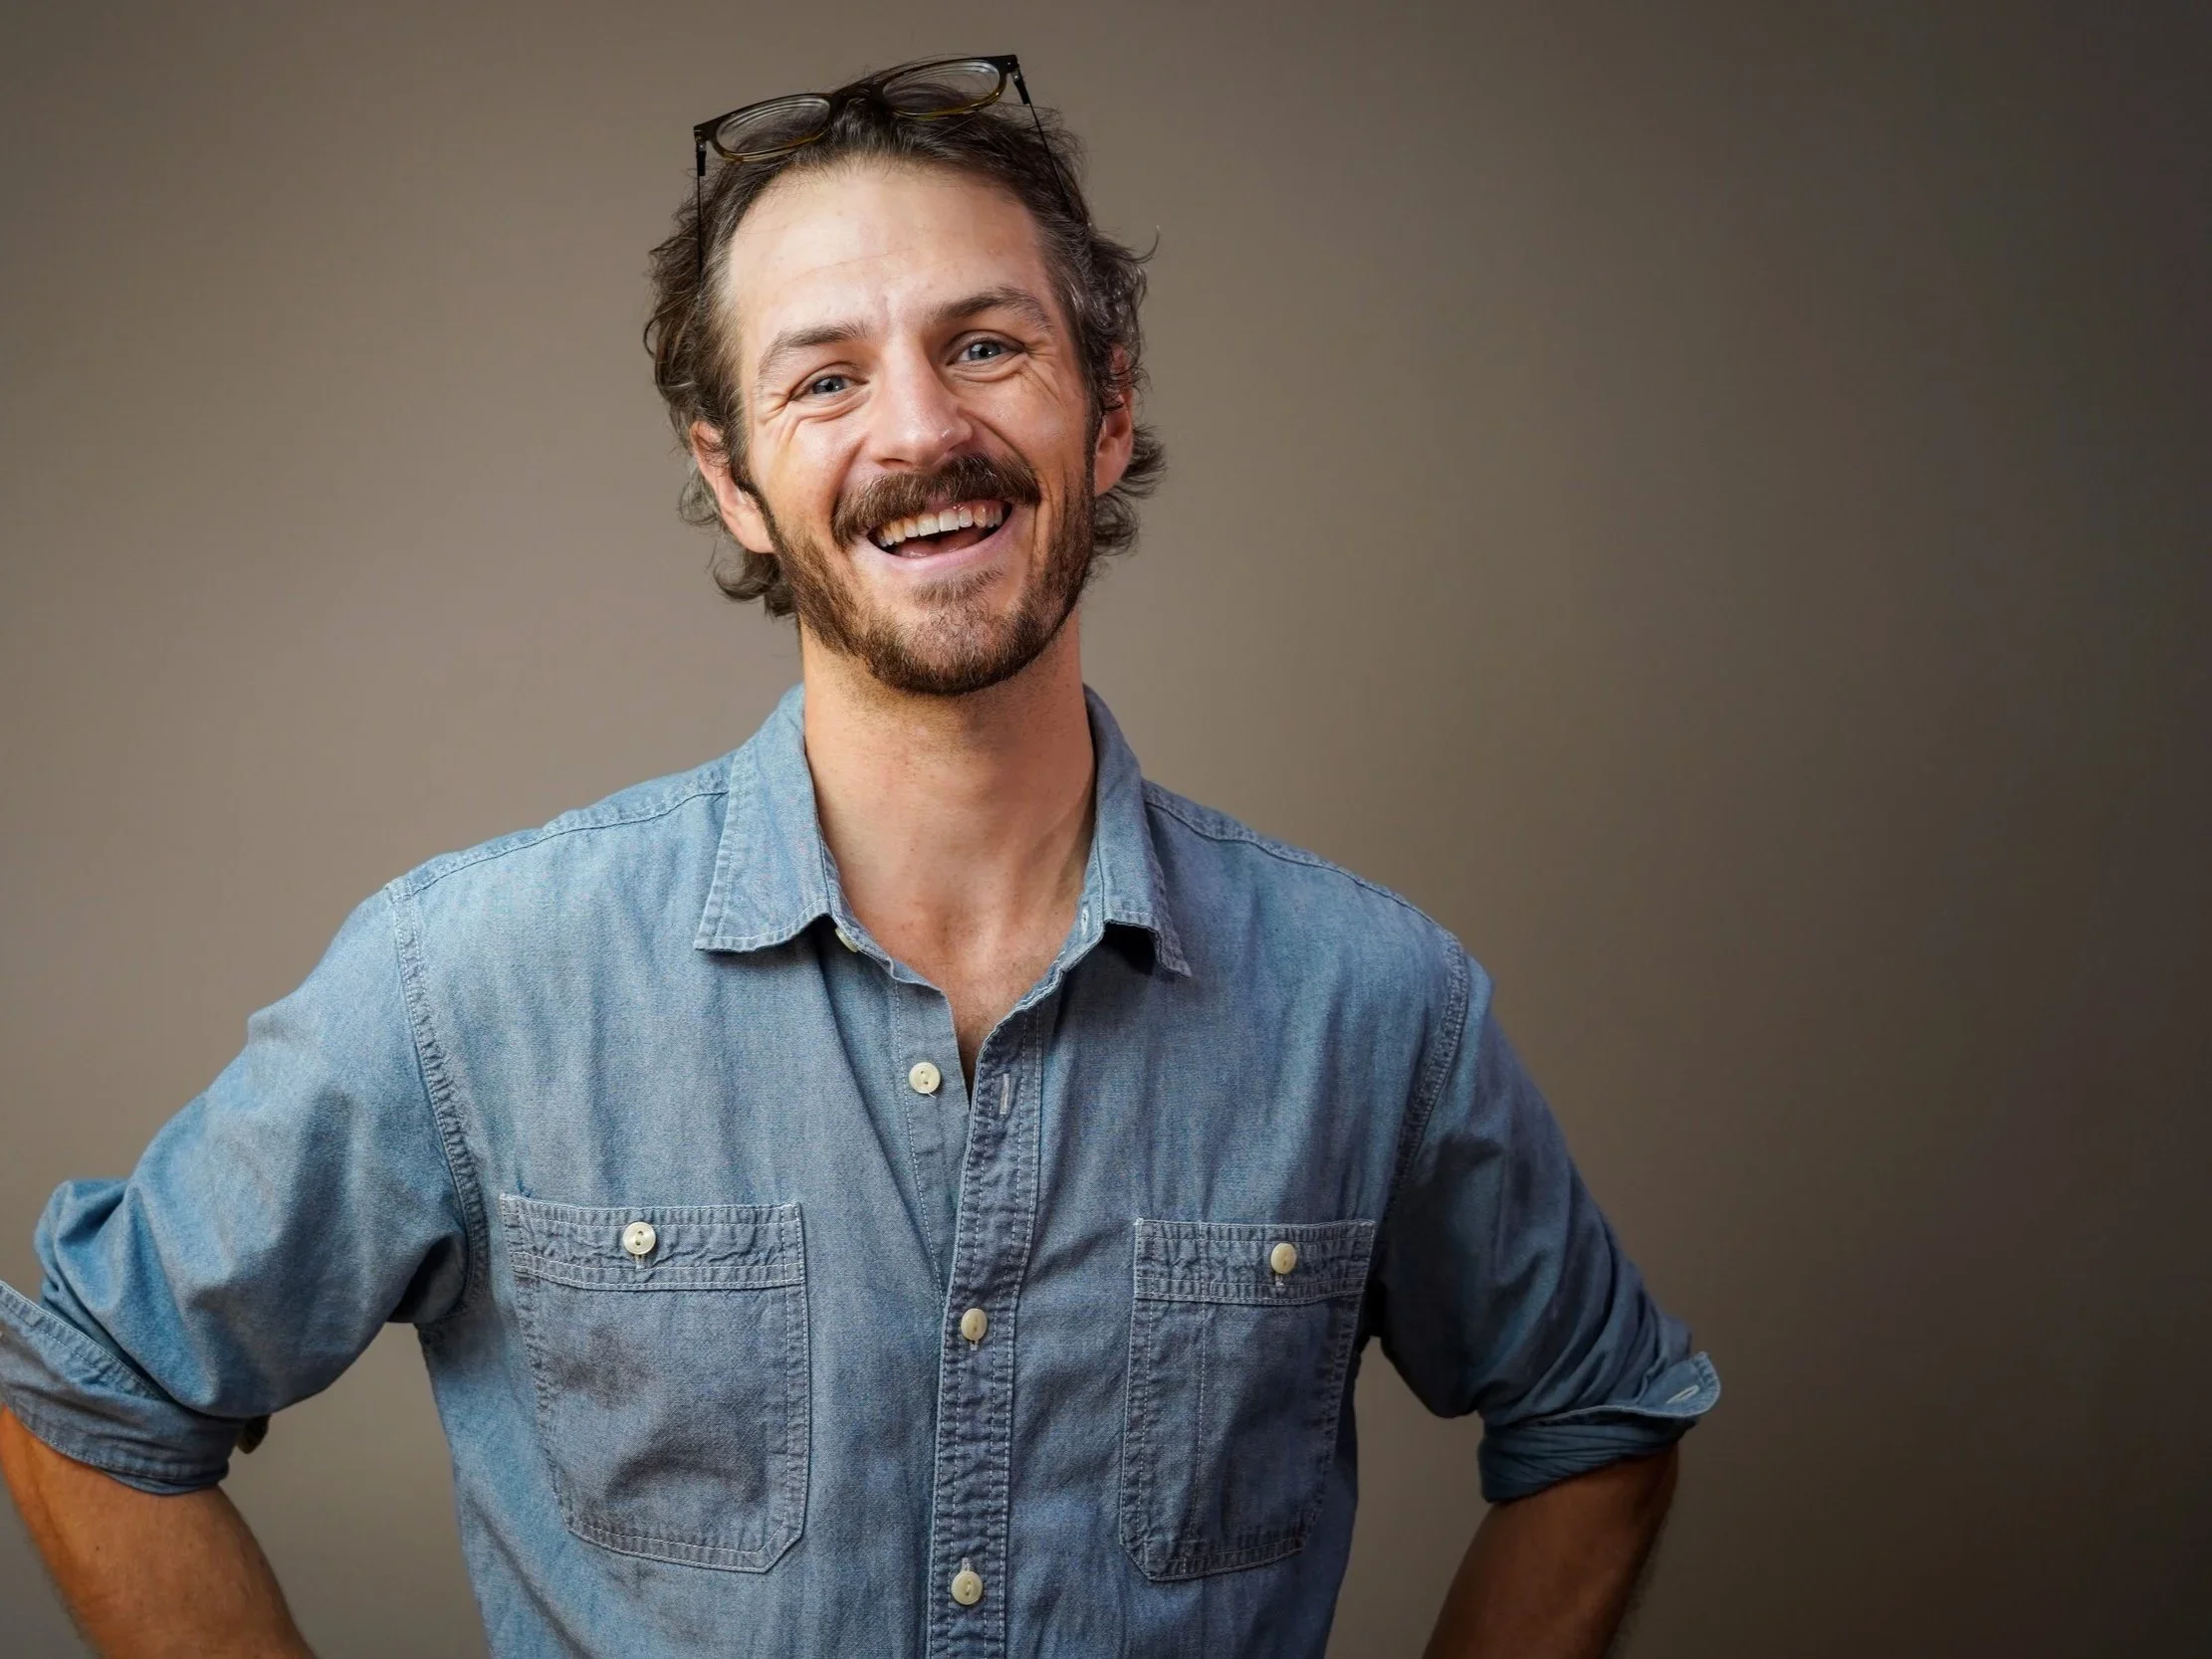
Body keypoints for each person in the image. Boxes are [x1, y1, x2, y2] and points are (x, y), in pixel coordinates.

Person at [0, 54, 1717, 1659]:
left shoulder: (1373, 1002)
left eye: (985, 346)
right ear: (735, 480)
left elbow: (1595, 1419)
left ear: (1105, 413)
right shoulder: (472, 978)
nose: (917, 433)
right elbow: (92, 1394)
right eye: (825, 378)